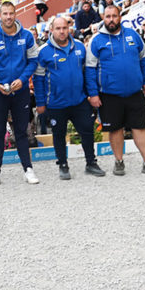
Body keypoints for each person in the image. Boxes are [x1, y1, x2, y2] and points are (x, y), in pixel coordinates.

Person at [85, 4, 145, 176]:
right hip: (110, 95)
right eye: (107, 16)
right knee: (115, 129)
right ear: (103, 18)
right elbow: (90, 69)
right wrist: (93, 94)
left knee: (140, 127)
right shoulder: (96, 40)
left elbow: (144, 60)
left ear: (120, 17)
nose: (111, 20)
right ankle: (119, 161)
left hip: (134, 92)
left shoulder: (133, 35)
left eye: (114, 16)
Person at [34, 16, 107, 180]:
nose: (62, 31)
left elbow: (88, 72)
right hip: (56, 104)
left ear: (69, 29)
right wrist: (40, 103)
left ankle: (91, 163)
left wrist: (91, 94)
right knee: (59, 135)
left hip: (79, 102)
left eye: (64, 28)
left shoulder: (80, 47)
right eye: (58, 28)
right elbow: (38, 79)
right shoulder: (43, 51)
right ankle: (63, 165)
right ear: (51, 30)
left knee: (87, 131)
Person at [0, 1, 39, 186]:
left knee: (22, 132)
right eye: (5, 13)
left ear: (15, 14)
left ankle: (28, 169)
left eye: (11, 13)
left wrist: (22, 80)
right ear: (0, 15)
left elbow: (33, 62)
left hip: (20, 91)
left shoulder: (27, 36)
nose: (8, 17)